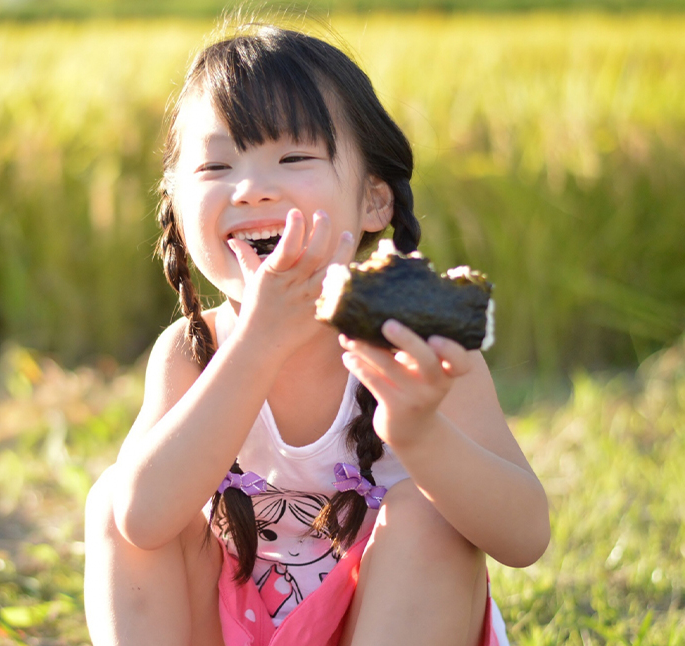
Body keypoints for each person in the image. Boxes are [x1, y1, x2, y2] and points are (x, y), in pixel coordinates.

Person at [84, 22, 549, 646]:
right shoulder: (193, 352)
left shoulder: (417, 350)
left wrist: (419, 431)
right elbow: (140, 522)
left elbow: (524, 538)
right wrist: (257, 344)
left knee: (428, 515)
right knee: (116, 494)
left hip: (387, 621)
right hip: (230, 624)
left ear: (374, 203)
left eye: (293, 157)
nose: (251, 188)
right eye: (217, 165)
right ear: (174, 201)